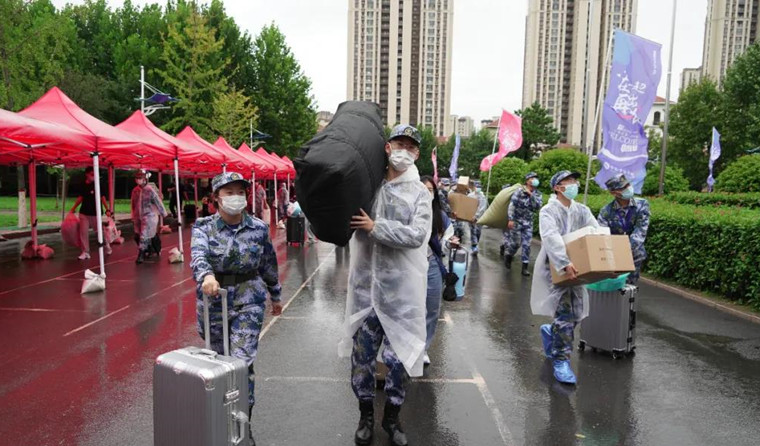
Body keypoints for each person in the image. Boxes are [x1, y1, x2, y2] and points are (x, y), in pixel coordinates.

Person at [340, 124, 432, 446]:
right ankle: (365, 416)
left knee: (398, 362)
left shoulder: (420, 193)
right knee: (362, 361)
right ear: (387, 147)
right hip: (366, 294)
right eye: (399, 143)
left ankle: (392, 418)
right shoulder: (368, 186)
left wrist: (375, 226)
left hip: (401, 295)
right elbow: (343, 218)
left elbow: (417, 235)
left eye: (411, 146)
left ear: (417, 153)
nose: (404, 150)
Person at [190, 171, 283, 446]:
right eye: (228, 192)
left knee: (241, 364)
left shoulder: (258, 228)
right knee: (219, 365)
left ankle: (243, 425)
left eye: (240, 192)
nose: (235, 197)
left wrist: (275, 295)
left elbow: (268, 263)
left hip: (248, 300)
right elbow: (198, 255)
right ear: (216, 198)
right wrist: (207, 276)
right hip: (214, 301)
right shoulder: (204, 227)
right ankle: (221, 423)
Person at [531, 170, 598, 385]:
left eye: (574, 181)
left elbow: (594, 231)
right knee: (566, 314)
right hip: (556, 268)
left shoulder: (582, 210)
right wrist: (563, 262)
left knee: (577, 313)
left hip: (578, 268)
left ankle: (552, 332)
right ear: (557, 187)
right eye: (568, 181)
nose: (573, 184)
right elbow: (551, 237)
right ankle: (561, 360)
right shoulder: (548, 211)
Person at [421, 175, 457, 366]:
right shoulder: (408, 210)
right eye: (423, 189)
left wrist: (451, 243)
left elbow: (445, 243)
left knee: (432, 308)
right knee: (410, 308)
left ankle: (423, 348)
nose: (427, 193)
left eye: (430, 190)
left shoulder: (441, 217)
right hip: (409, 266)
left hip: (432, 265)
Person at [597, 174, 650, 285]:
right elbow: (603, 235)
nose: (627, 188)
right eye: (623, 188)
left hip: (635, 255)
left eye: (628, 185)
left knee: (629, 287)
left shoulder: (642, 205)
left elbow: (640, 230)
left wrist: (626, 252)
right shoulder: (606, 211)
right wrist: (614, 253)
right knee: (614, 286)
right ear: (614, 193)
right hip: (613, 256)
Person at [504, 172, 543, 276]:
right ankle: (509, 255)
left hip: (528, 223)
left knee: (527, 244)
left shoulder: (538, 194)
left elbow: (537, 206)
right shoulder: (519, 191)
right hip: (516, 221)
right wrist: (510, 219)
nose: (535, 180)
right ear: (527, 180)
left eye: (536, 178)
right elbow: (512, 205)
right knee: (516, 243)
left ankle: (524, 267)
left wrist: (531, 195)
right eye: (532, 178)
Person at [69, 166, 112, 259]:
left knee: (99, 233)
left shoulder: (98, 184)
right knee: (83, 233)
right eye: (92, 174)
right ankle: (85, 252)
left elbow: (103, 198)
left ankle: (106, 245)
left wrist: (107, 209)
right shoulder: (83, 185)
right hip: (84, 212)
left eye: (95, 174)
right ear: (87, 175)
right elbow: (80, 197)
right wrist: (73, 208)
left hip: (95, 213)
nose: (93, 176)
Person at [131, 171, 168, 264]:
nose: (138, 180)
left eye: (139, 178)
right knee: (138, 235)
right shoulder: (135, 191)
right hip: (138, 216)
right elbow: (133, 204)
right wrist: (133, 215)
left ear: (144, 179)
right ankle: (151, 248)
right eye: (136, 178)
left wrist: (163, 213)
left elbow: (157, 201)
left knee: (144, 235)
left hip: (149, 215)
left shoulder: (150, 190)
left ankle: (141, 253)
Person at [467, 181, 488, 254]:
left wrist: (476, 216)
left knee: (478, 232)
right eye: (477, 187)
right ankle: (474, 246)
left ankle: (476, 244)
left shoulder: (482, 196)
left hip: (479, 218)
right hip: (471, 217)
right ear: (474, 187)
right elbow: (467, 206)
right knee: (473, 232)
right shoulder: (470, 195)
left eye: (479, 187)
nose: (478, 188)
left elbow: (482, 208)